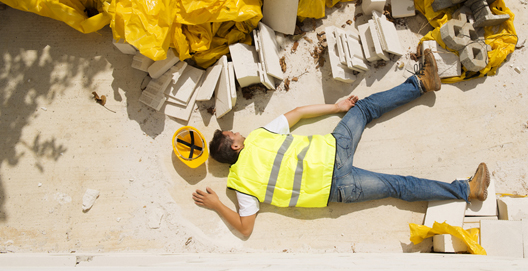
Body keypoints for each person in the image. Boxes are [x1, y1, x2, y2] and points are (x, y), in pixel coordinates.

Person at [192, 50, 491, 237]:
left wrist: (218, 204)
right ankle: (421, 83)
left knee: (399, 185)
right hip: (335, 151)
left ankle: (466, 190)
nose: (239, 134)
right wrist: (337, 108)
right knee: (363, 109)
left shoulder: (242, 185)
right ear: (235, 147)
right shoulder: (258, 137)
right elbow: (296, 115)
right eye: (234, 136)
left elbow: (245, 228)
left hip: (338, 189)